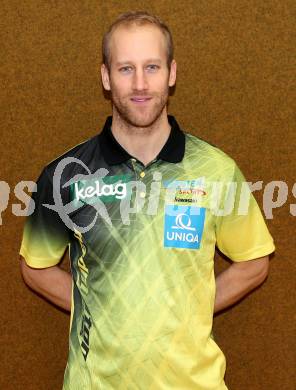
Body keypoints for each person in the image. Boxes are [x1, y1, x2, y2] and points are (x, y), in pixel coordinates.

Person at [19, 11, 275, 390]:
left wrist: (191, 311)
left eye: (151, 67)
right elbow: (35, 268)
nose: (140, 84)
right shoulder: (67, 175)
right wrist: (103, 313)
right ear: (106, 77)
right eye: (125, 69)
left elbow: (254, 262)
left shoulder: (215, 170)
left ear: (171, 73)